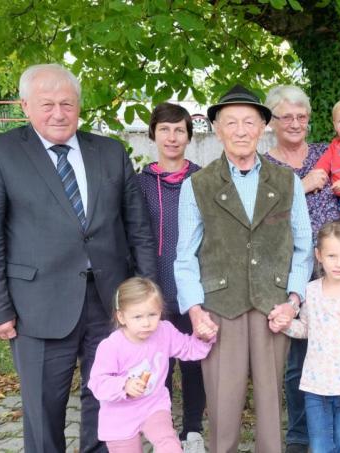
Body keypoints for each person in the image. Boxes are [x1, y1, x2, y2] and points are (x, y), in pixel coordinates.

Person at [0, 63, 157, 453]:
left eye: (67, 103)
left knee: (108, 400)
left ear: (79, 105)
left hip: (110, 303)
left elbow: (139, 230)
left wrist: (146, 295)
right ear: (24, 105)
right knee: (43, 408)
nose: (58, 113)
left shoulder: (109, 152)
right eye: (46, 104)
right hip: (36, 306)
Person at [174, 84, 313, 453]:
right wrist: (195, 310)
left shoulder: (286, 182)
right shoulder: (198, 185)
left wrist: (293, 301)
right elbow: (184, 257)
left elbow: (303, 248)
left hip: (274, 307)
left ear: (263, 127)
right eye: (230, 122)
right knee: (222, 403)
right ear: (217, 129)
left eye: (248, 122)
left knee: (271, 406)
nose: (240, 130)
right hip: (220, 308)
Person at [262, 85, 340, 453]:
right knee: (298, 357)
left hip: (334, 271)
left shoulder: (328, 154)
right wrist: (303, 185)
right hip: (291, 271)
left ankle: (334, 435)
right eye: (286, 116)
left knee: (337, 351)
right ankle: (298, 435)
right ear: (272, 122)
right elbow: (261, 216)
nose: (295, 123)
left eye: (302, 116)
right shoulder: (264, 164)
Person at [270, 221, 340, 453]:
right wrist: (285, 325)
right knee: (320, 447)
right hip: (315, 388)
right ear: (318, 256)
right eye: (332, 256)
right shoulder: (310, 291)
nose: (339, 263)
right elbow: (305, 329)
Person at [136, 102, 206, 453]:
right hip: (153, 287)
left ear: (189, 137)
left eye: (179, 129)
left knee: (193, 362)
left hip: (193, 288)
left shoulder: (204, 178)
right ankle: (157, 427)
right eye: (164, 129)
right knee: (156, 363)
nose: (172, 136)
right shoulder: (139, 184)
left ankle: (193, 430)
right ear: (153, 134)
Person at [88, 277, 216, 453]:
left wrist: (204, 336)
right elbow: (97, 383)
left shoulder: (164, 331)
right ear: (121, 316)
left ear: (160, 312)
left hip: (153, 406)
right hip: (119, 416)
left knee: (170, 446)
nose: (146, 323)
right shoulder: (111, 346)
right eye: (138, 317)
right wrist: (124, 385)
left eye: (152, 315)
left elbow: (189, 349)